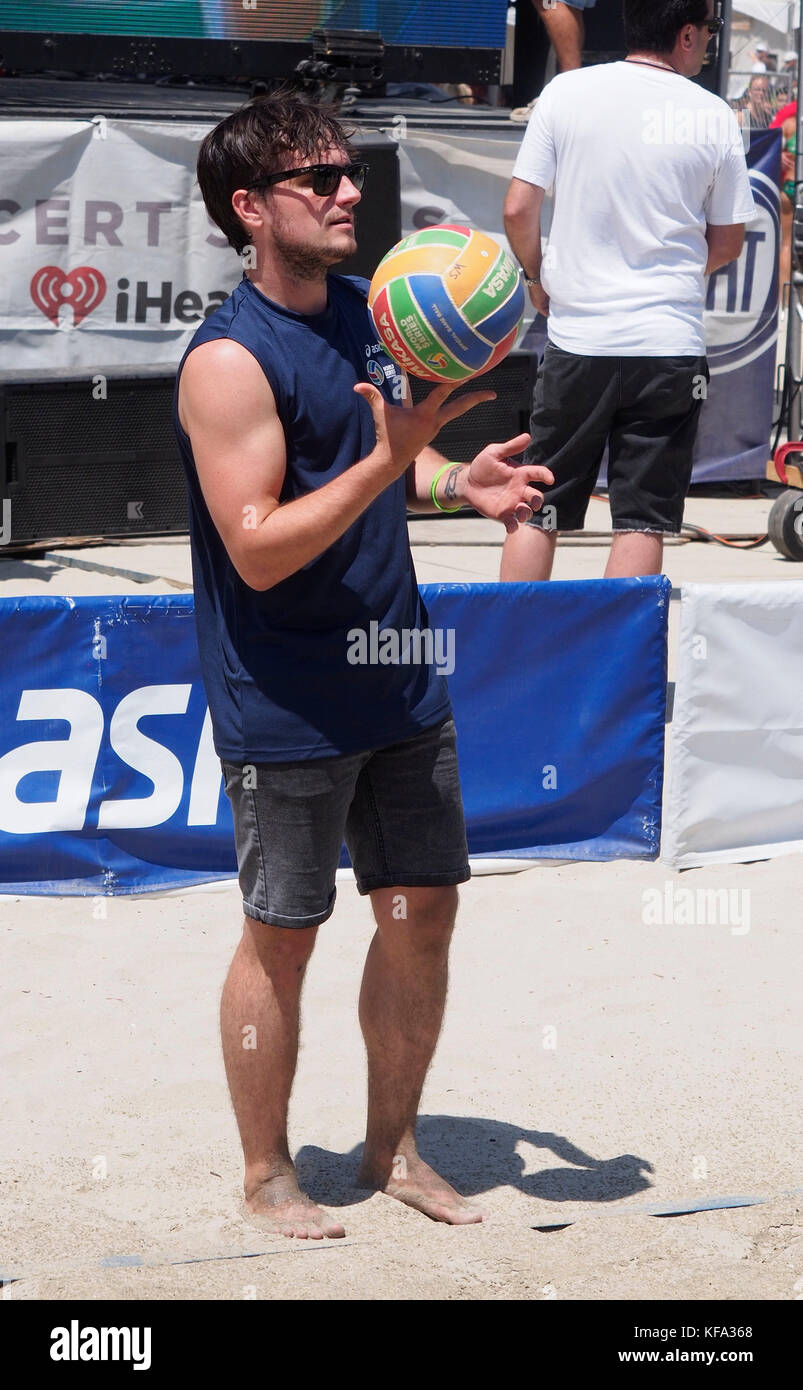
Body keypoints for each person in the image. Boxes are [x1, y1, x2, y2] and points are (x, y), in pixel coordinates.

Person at [173, 93, 552, 1238]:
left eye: (348, 173)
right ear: (250, 209)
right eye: (318, 179)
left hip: (396, 668)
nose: (349, 193)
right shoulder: (227, 361)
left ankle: (392, 1149)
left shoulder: (370, 313)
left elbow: (381, 461)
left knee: (421, 911)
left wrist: (451, 479)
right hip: (283, 691)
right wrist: (393, 460)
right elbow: (260, 543)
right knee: (281, 937)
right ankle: (265, 1174)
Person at [500, 0, 756, 583]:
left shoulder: (567, 93)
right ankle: (617, 668)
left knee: (536, 507)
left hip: (579, 336)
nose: (710, 42)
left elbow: (519, 208)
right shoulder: (714, 114)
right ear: (686, 34)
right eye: (710, 32)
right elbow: (729, 241)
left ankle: (508, 653)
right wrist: (676, 272)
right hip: (668, 342)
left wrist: (539, 278)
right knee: (642, 520)